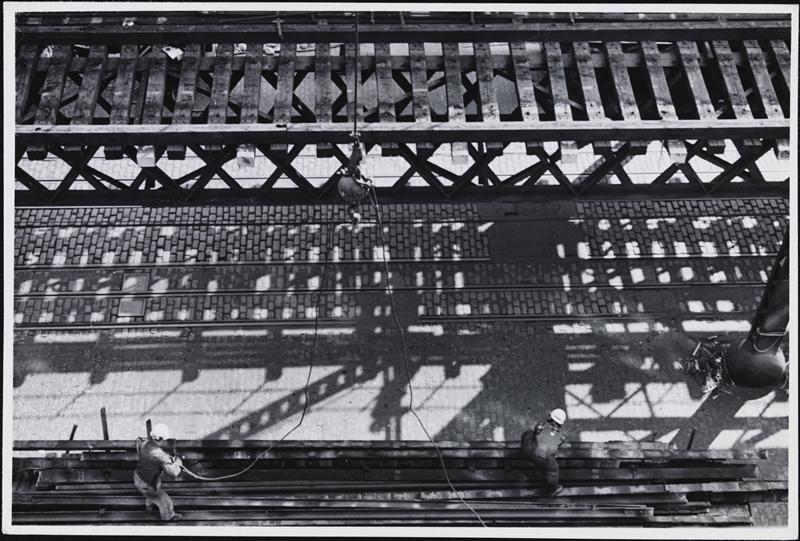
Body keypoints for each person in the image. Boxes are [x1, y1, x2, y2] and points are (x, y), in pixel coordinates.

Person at [134, 423, 184, 521]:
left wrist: (165, 458)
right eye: (165, 440)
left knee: (152, 489)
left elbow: (151, 455)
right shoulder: (161, 456)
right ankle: (168, 517)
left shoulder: (145, 444)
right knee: (165, 501)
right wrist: (178, 462)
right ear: (161, 439)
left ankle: (149, 504)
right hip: (147, 484)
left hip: (138, 477)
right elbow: (173, 473)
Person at [520, 408, 568, 495]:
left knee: (528, 433)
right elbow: (557, 445)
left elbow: (535, 434)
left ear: (551, 418)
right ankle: (552, 489)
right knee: (553, 471)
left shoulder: (541, 425)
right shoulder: (563, 436)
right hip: (546, 459)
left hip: (531, 452)